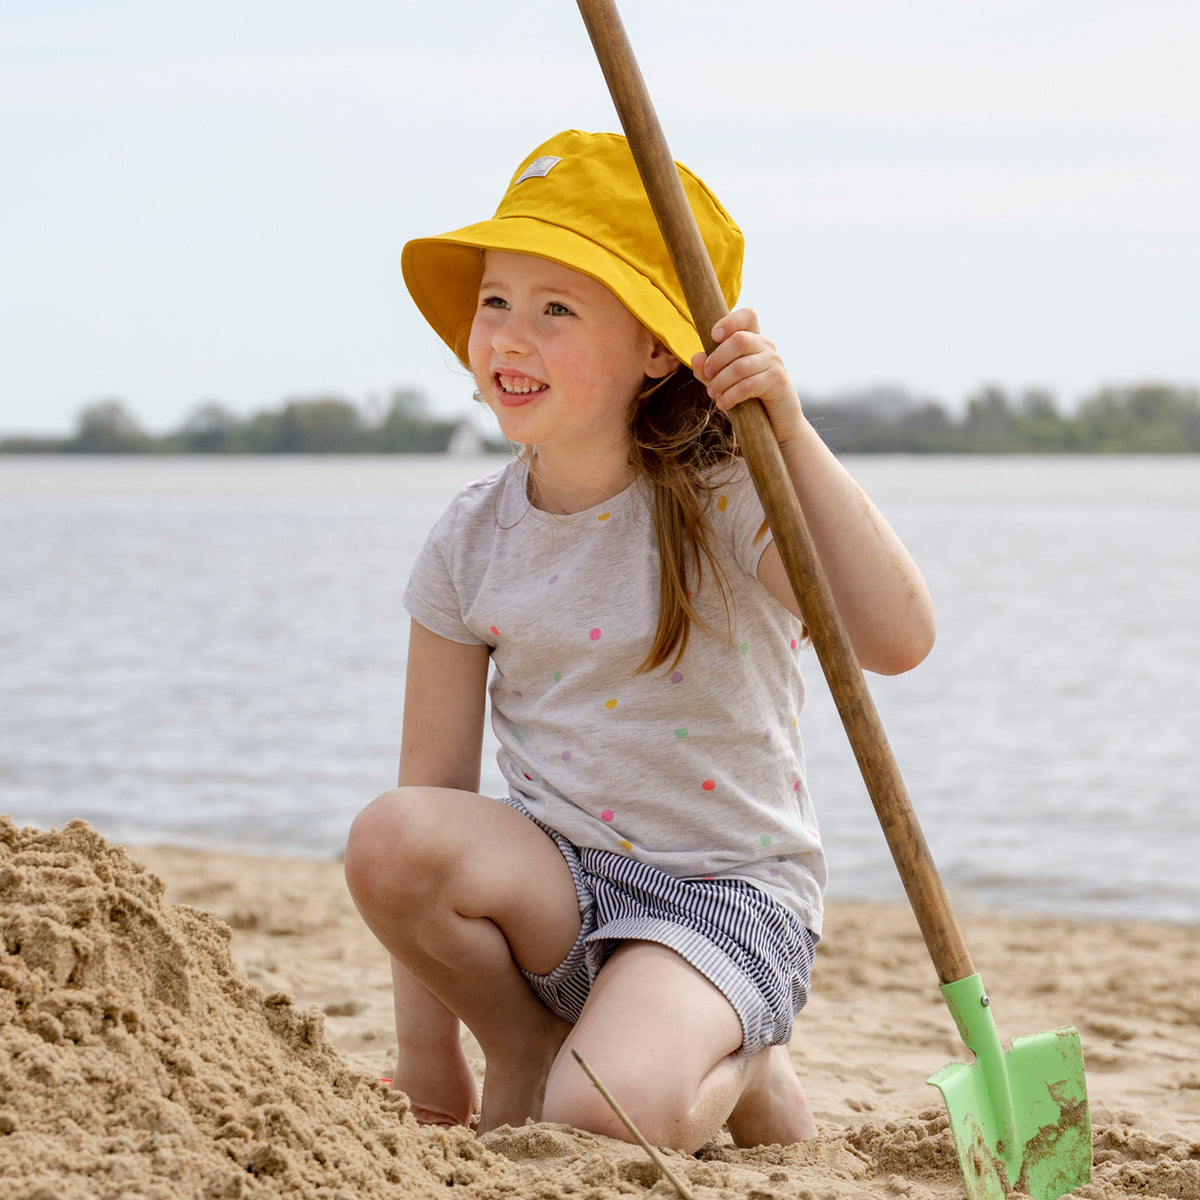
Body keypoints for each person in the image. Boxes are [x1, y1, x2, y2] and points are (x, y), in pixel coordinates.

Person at [344, 129, 935, 1152]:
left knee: (602, 1119)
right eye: (496, 302)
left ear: (656, 349)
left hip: (721, 900)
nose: (509, 339)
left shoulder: (729, 502)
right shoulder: (470, 538)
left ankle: (745, 1048)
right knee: (392, 834)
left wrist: (788, 432)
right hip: (560, 897)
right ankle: (524, 1043)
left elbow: (896, 638)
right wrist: (432, 1058)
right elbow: (431, 789)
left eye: (556, 309)